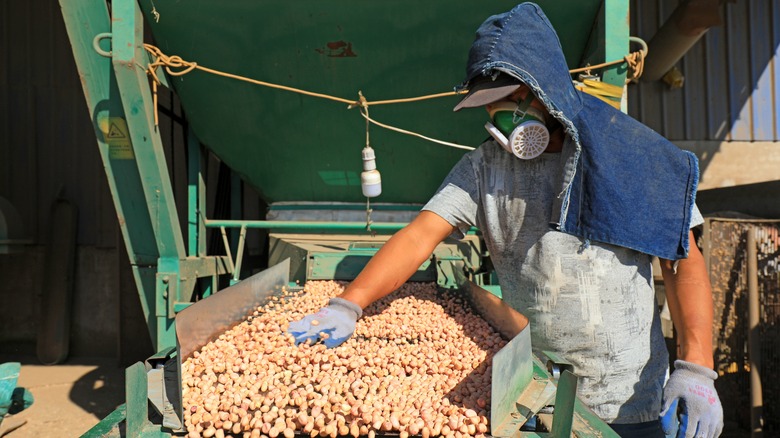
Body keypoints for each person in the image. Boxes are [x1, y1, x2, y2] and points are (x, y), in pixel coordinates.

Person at [288, 3, 723, 438]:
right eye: (488, 105)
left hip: (629, 406)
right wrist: (350, 303)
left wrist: (697, 366)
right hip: (530, 395)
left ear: (542, 91)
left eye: (507, 101)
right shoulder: (484, 167)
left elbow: (682, 260)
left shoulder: (633, 154)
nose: (498, 118)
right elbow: (421, 234)